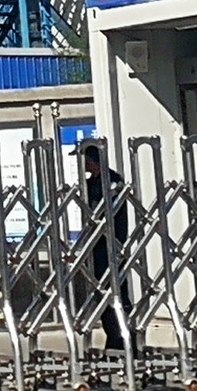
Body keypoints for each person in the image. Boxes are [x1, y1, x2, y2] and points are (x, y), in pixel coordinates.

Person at [78, 142, 129, 351]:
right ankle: (113, 337)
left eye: (86, 160)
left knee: (116, 291)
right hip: (96, 246)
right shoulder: (92, 182)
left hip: (111, 244)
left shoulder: (111, 181)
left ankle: (122, 338)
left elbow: (105, 211)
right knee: (101, 292)